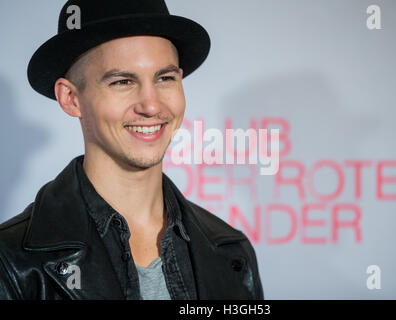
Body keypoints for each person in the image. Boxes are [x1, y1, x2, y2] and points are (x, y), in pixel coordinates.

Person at [0, 0, 264, 300]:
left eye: (165, 78)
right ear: (71, 98)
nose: (151, 105)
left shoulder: (230, 251)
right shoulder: (11, 261)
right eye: (122, 81)